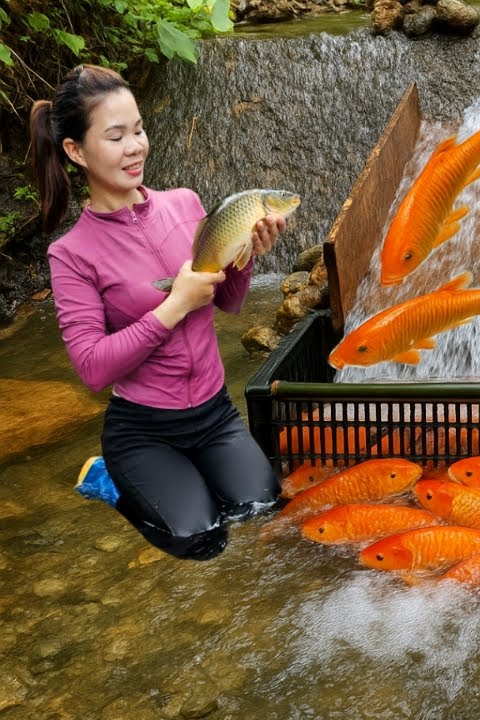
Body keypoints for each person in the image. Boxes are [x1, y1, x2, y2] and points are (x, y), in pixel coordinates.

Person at [30, 64, 288, 560]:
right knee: (201, 543)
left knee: (261, 511)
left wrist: (248, 255)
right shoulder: (72, 253)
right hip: (145, 430)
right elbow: (92, 368)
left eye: (139, 129)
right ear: (75, 151)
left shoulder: (186, 204)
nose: (136, 146)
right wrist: (174, 306)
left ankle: (195, 482)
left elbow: (230, 302)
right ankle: (115, 484)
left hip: (214, 414)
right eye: (116, 136)